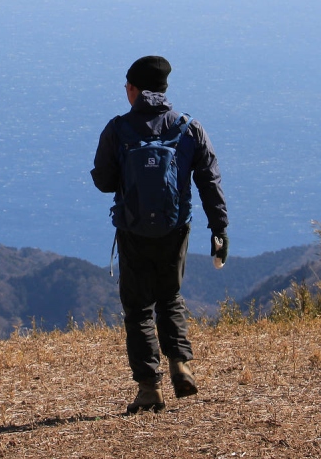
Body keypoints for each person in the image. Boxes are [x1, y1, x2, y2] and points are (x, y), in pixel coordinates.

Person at [91, 55, 228, 413]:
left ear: (134, 90)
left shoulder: (118, 128)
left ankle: (149, 389)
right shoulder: (188, 128)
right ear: (164, 89)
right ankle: (180, 364)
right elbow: (209, 182)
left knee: (137, 309)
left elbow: (104, 182)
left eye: (127, 86)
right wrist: (219, 229)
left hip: (133, 230)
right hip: (174, 227)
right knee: (169, 297)